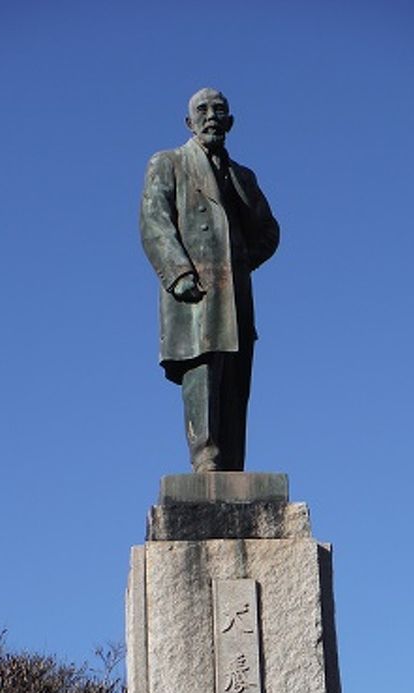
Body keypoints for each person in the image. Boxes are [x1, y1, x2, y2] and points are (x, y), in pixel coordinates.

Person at [140, 88, 279, 472]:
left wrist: (242, 262)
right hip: (195, 294)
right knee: (202, 372)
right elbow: (154, 222)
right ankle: (206, 458)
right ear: (189, 122)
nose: (211, 116)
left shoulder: (242, 177)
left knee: (235, 381)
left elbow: (269, 231)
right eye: (202, 110)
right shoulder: (168, 163)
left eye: (219, 110)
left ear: (231, 122)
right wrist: (179, 272)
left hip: (235, 294)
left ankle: (232, 464)